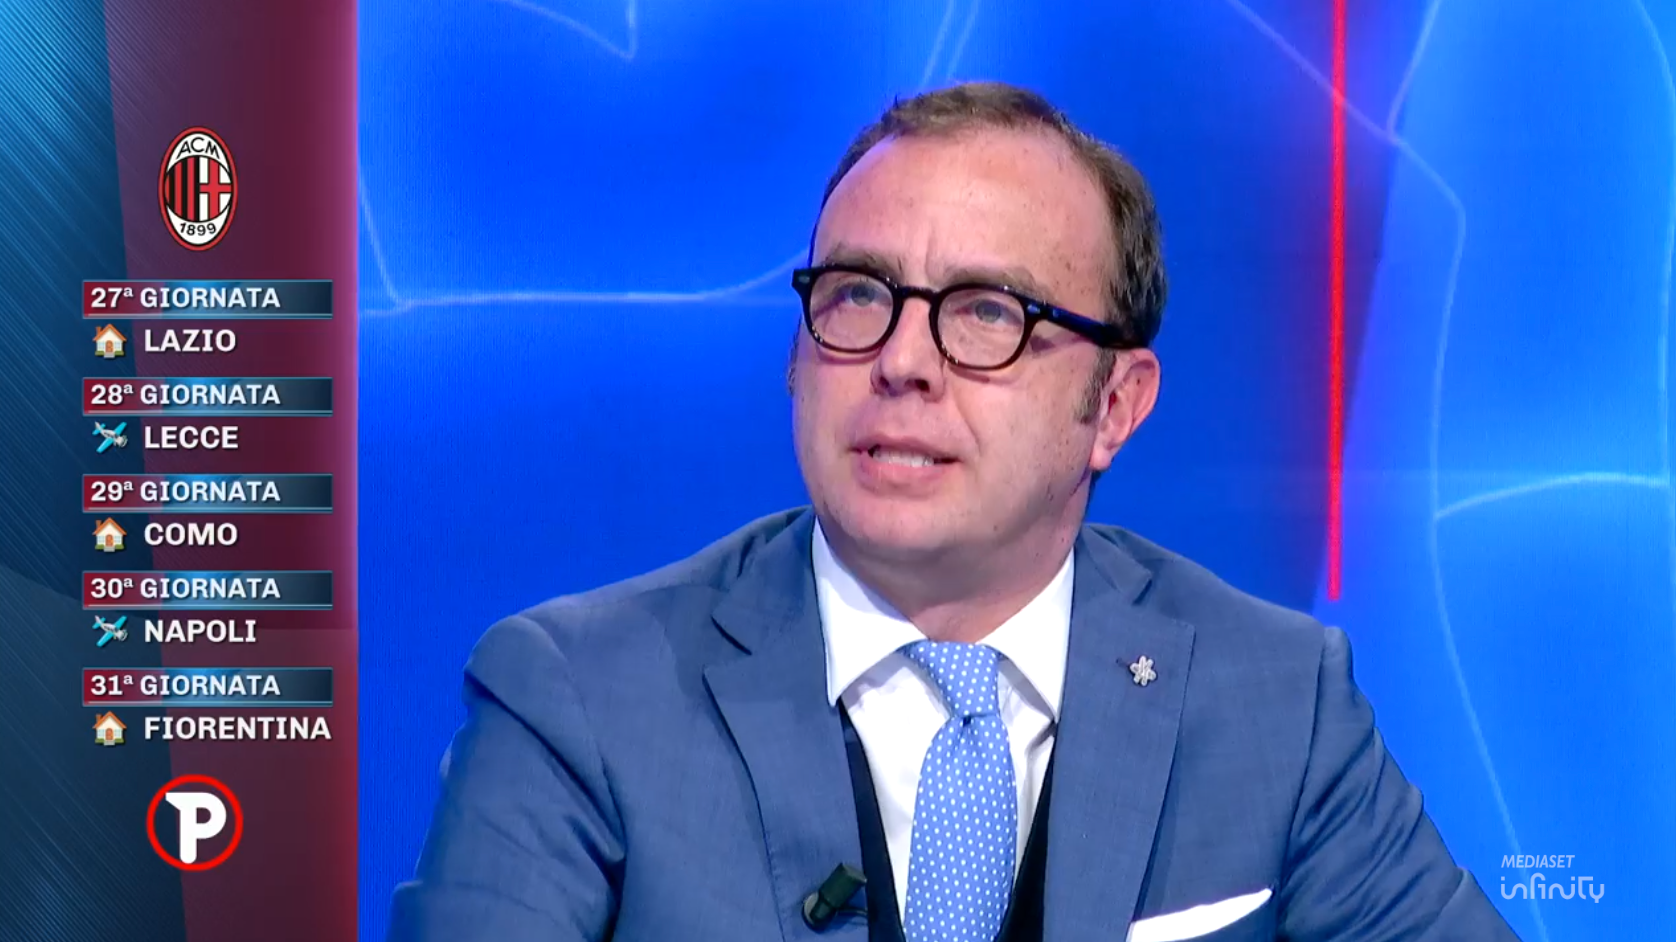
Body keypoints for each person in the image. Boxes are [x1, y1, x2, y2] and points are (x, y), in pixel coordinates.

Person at [387, 81, 1520, 942]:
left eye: (985, 313)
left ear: (1113, 406)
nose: (902, 361)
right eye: (858, 295)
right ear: (796, 358)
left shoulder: (1274, 703)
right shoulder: (578, 701)